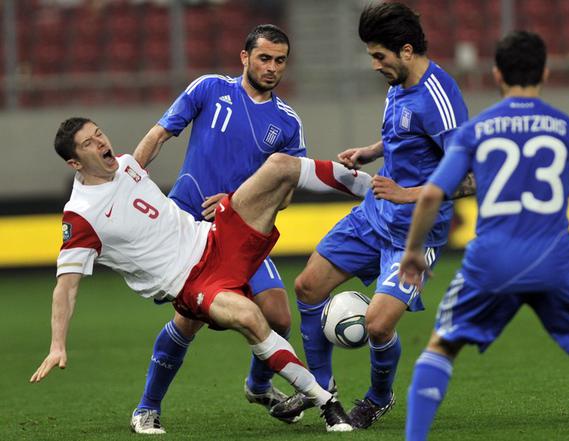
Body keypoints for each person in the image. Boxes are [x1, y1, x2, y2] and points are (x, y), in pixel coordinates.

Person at [29, 118, 377, 432]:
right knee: (250, 318)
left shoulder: (125, 165)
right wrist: (57, 344)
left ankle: (376, 190)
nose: (100, 141)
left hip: (214, 237)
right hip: (193, 283)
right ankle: (328, 404)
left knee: (279, 166)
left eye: (99, 133)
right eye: (88, 143)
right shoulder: (80, 218)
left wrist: (166, 130)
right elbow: (65, 288)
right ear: (75, 162)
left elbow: (154, 139)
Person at [399, 31, 569, 441]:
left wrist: (413, 251)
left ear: (497, 73)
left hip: (491, 261)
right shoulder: (566, 128)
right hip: (556, 259)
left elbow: (432, 192)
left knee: (442, 345)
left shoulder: (476, 130)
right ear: (547, 73)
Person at [129, 24, 340, 433]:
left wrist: (239, 201)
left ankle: (258, 386)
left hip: (240, 234)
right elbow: (159, 134)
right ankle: (147, 407)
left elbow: (287, 191)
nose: (272, 67)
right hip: (189, 227)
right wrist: (130, 178)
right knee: (187, 321)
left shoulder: (288, 122)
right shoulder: (209, 89)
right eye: (264, 58)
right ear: (245, 57)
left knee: (278, 316)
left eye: (280, 60)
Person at [270, 2, 471, 429]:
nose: (375, 65)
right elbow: (403, 133)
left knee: (378, 327)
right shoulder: (398, 84)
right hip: (373, 216)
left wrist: (406, 193)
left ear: (406, 50)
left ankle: (380, 396)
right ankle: (320, 390)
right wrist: (371, 151)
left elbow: (471, 178)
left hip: (415, 234)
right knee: (307, 286)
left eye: (380, 56)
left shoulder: (439, 97)